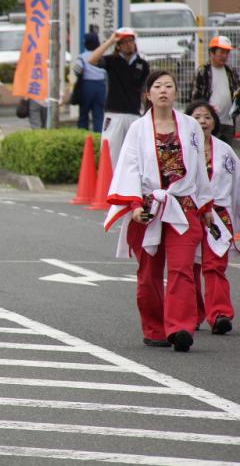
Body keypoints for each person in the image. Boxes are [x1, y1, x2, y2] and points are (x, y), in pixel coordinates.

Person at [104, 71, 213, 352]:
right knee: (149, 272)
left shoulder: (190, 127)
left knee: (182, 268)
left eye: (169, 86)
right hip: (148, 208)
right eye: (157, 86)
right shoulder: (138, 129)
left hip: (183, 207)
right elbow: (128, 168)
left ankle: (179, 328)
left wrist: (206, 205)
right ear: (148, 94)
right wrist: (135, 206)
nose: (163, 90)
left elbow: (200, 169)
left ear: (176, 93)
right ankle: (155, 327)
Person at [185, 100, 236, 335]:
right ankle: (192, 313)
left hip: (219, 215)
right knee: (188, 267)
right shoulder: (182, 149)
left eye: (207, 117)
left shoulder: (225, 151)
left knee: (215, 265)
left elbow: (236, 186)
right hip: (189, 212)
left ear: (214, 122)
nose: (203, 121)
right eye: (197, 117)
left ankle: (220, 314)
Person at [88, 28, 150, 166]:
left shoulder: (142, 64)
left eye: (130, 41)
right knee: (110, 152)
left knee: (135, 154)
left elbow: (145, 91)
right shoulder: (112, 61)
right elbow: (91, 60)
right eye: (124, 42)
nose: (128, 44)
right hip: (113, 114)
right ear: (118, 45)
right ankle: (110, 185)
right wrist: (110, 41)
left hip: (134, 114)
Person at [191, 36, 240, 146]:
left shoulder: (230, 72)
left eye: (227, 53)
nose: (225, 56)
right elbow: (196, 98)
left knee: (226, 153)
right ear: (212, 53)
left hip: (228, 122)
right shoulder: (203, 71)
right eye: (221, 52)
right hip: (209, 122)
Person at [73, 32, 107, 132]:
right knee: (98, 114)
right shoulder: (102, 57)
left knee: (83, 113)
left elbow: (76, 71)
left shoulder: (82, 57)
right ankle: (99, 138)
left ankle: (83, 137)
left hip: (87, 86)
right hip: (101, 86)